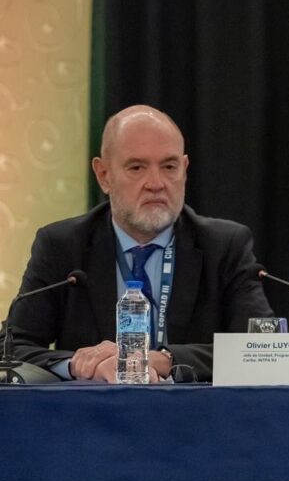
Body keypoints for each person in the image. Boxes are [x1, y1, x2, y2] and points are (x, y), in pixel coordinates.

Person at [8, 105, 273, 382]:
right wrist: (79, 364)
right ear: (104, 175)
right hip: (94, 408)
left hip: (195, 408)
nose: (156, 183)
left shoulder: (224, 246)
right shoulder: (62, 246)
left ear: (184, 170)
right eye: (137, 168)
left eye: (169, 167)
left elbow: (261, 350)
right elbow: (13, 347)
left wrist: (163, 359)